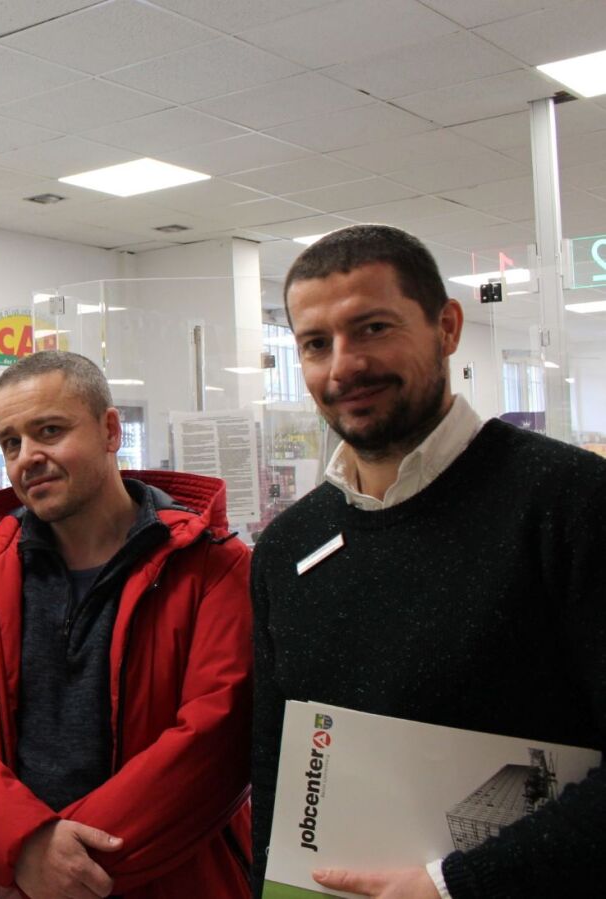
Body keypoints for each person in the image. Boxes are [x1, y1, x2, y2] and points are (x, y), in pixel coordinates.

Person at [251, 224, 606, 899]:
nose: (344, 366)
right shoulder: (286, 548)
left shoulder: (571, 502)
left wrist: (455, 886)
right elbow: (275, 771)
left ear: (447, 326)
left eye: (373, 328)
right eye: (316, 344)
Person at [0, 350, 254, 899]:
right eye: (11, 442)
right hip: (2, 876)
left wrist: (63, 874)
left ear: (110, 431)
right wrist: (25, 846)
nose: (27, 457)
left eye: (50, 431)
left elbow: (214, 741)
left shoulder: (213, 567)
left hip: (165, 880)